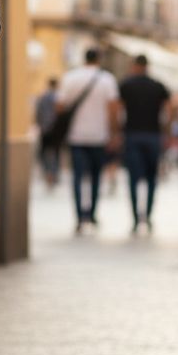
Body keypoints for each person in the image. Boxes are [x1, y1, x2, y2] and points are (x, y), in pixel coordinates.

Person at [56, 47, 121, 233]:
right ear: (99, 58)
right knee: (95, 177)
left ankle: (78, 217)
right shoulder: (107, 80)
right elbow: (113, 109)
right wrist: (114, 133)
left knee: (77, 177)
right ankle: (91, 214)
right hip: (99, 136)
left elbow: (59, 107)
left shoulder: (70, 78)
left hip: (76, 136)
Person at [119, 54, 170, 233]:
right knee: (151, 179)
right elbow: (168, 110)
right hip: (153, 135)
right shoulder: (158, 86)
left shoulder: (126, 85)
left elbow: (118, 109)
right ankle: (147, 216)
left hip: (132, 135)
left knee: (133, 179)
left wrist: (116, 133)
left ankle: (135, 218)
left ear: (135, 66)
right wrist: (167, 132)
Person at [35, 77, 60, 186]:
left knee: (43, 152)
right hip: (55, 129)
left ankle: (46, 172)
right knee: (55, 152)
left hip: (45, 128)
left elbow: (38, 112)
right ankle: (53, 173)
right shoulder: (59, 97)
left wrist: (39, 124)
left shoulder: (43, 97)